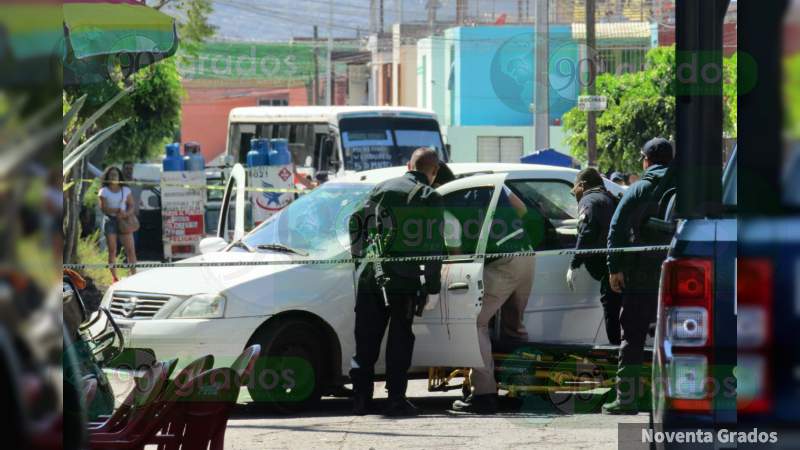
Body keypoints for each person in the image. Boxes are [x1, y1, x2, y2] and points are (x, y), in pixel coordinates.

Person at [348, 148, 445, 417]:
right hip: (404, 280)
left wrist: (360, 260)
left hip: (372, 276)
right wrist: (432, 287)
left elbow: (355, 221)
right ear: (433, 171)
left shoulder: (382, 188)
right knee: (400, 339)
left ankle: (360, 399)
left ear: (408, 165)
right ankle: (395, 399)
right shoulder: (430, 196)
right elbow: (436, 246)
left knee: (366, 339)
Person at [451, 185, 544, 414]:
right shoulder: (493, 184)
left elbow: (455, 255)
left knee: (474, 323)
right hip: (526, 253)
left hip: (503, 261)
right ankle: (522, 391)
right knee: (514, 327)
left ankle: (484, 394)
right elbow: (521, 208)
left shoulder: (449, 200)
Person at [602, 137, 675, 415]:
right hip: (683, 273)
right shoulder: (689, 188)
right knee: (682, 338)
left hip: (642, 275)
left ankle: (627, 399)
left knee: (632, 336)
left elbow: (617, 228)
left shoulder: (640, 188)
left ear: (646, 160)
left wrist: (614, 267)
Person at [566, 168, 621, 345]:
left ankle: (617, 353)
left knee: (611, 310)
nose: (575, 195)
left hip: (609, 269)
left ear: (582, 185)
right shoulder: (611, 198)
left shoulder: (588, 200)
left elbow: (587, 232)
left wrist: (574, 264)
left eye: (574, 190)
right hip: (624, 264)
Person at [98, 166, 137, 282]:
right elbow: (104, 208)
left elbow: (131, 205)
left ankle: (133, 275)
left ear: (119, 176)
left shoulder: (125, 190)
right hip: (110, 221)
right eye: (111, 175)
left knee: (130, 250)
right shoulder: (103, 191)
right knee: (112, 250)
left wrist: (125, 214)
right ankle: (114, 277)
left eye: (115, 174)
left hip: (124, 221)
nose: (113, 176)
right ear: (107, 177)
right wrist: (117, 211)